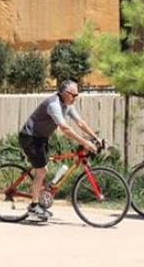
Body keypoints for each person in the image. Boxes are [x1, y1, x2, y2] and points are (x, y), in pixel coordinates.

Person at [18, 79, 100, 221]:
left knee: (42, 168)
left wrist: (95, 137)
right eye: (73, 95)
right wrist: (85, 142)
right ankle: (33, 207)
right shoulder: (53, 105)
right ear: (64, 93)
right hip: (30, 137)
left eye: (77, 96)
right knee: (42, 171)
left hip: (42, 138)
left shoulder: (67, 104)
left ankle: (41, 196)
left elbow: (80, 123)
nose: (75, 98)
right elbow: (65, 129)